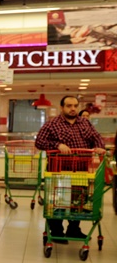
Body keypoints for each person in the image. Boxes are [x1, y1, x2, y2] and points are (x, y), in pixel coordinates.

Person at [34, 94, 106, 240]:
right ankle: (56, 231)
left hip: (81, 171)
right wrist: (57, 145)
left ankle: (74, 229)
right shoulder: (52, 124)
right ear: (62, 107)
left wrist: (99, 147)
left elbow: (96, 137)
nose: (73, 109)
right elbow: (39, 142)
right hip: (58, 170)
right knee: (58, 201)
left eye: (75, 106)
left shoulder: (85, 123)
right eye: (69, 106)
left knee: (78, 201)